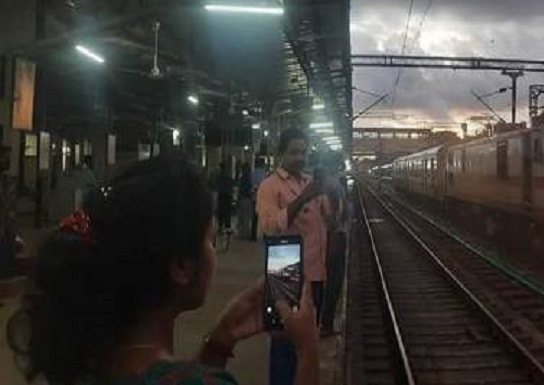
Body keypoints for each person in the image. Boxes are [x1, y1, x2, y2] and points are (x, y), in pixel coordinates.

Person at [8, 155, 320, 385]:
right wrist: (307, 349)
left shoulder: (90, 365)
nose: (213, 251)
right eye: (209, 240)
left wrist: (220, 341)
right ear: (182, 266)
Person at [257, 129, 334, 385]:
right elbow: (270, 227)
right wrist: (303, 198)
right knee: (284, 346)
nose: (300, 157)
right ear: (281, 153)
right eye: (293, 152)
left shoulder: (310, 182)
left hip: (316, 272)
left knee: (308, 343)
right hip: (285, 271)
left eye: (303, 152)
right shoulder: (270, 186)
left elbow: (328, 219)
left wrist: (331, 190)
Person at [320, 152, 349, 337]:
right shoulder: (332, 185)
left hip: (332, 235)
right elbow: (334, 215)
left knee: (330, 280)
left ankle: (325, 322)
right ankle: (326, 323)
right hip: (334, 236)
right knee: (333, 280)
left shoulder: (329, 183)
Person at [251, 158, 269, 240]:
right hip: (264, 198)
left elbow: (252, 185)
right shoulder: (265, 174)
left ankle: (253, 235)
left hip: (255, 198)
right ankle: (265, 235)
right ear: (262, 164)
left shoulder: (253, 173)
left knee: (254, 218)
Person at [237, 163, 254, 240]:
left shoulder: (242, 178)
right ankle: (245, 233)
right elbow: (250, 189)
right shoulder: (249, 179)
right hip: (247, 198)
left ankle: (242, 233)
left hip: (243, 198)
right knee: (246, 217)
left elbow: (240, 190)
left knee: (242, 217)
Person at [217, 162, 234, 235]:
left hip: (222, 195)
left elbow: (217, 186)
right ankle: (227, 228)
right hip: (227, 196)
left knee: (221, 213)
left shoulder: (220, 177)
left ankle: (221, 228)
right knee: (227, 213)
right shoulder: (228, 177)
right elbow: (231, 187)